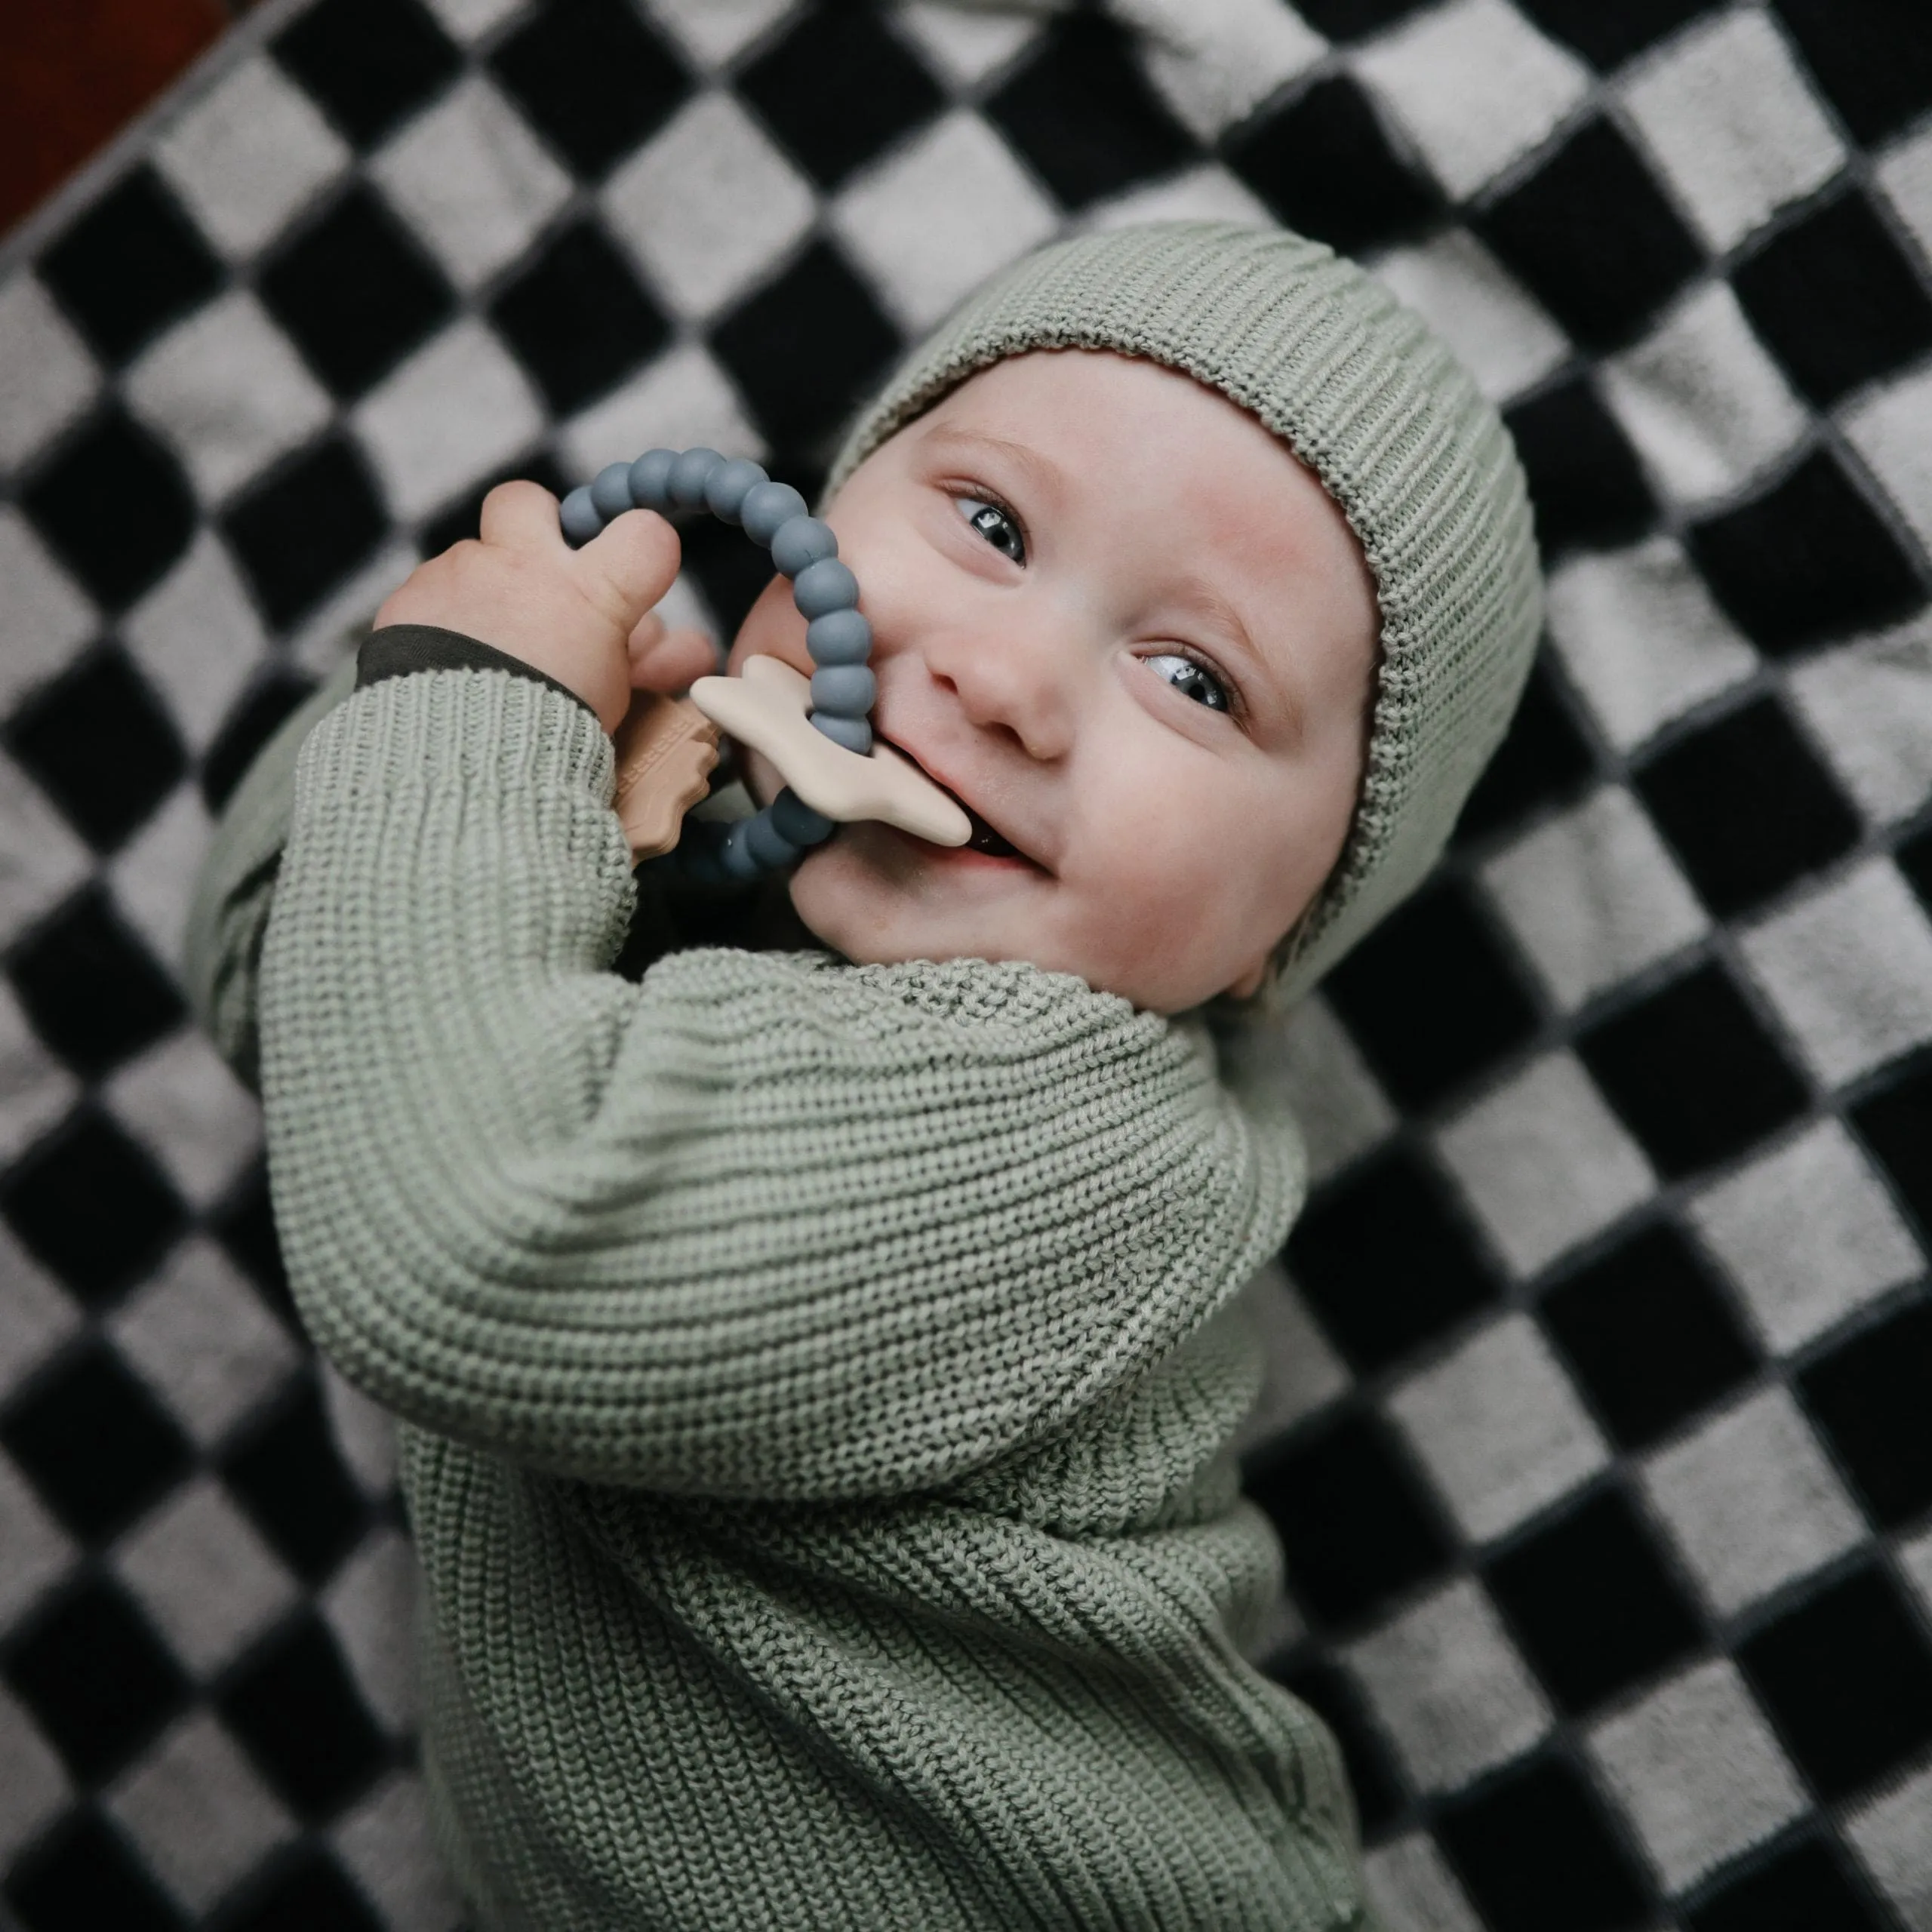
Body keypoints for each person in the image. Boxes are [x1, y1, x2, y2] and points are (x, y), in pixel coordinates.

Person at [187, 220, 1540, 1930]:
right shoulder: (660, 896)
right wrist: (548, 763)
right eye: (988, 525)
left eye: (1192, 679)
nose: (1008, 680)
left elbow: (465, 1239)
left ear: (1277, 935)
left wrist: (468, 703)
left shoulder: (1075, 1128)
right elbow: (271, 976)